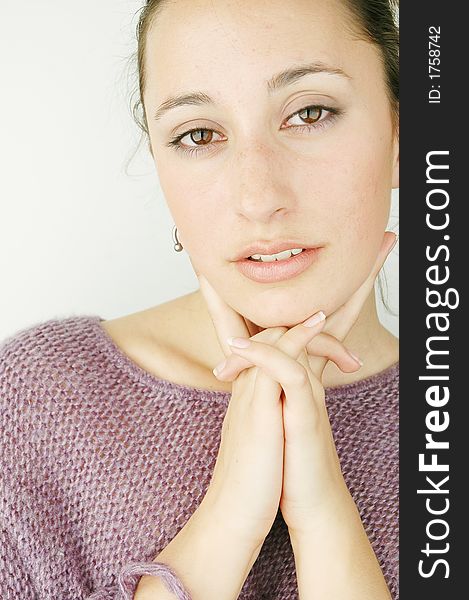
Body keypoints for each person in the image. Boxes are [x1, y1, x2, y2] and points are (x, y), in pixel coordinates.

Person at [0, 0, 399, 598]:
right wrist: (230, 515)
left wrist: (324, 519)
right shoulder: (33, 402)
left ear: (404, 131)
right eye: (199, 134)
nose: (259, 197)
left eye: (310, 112)